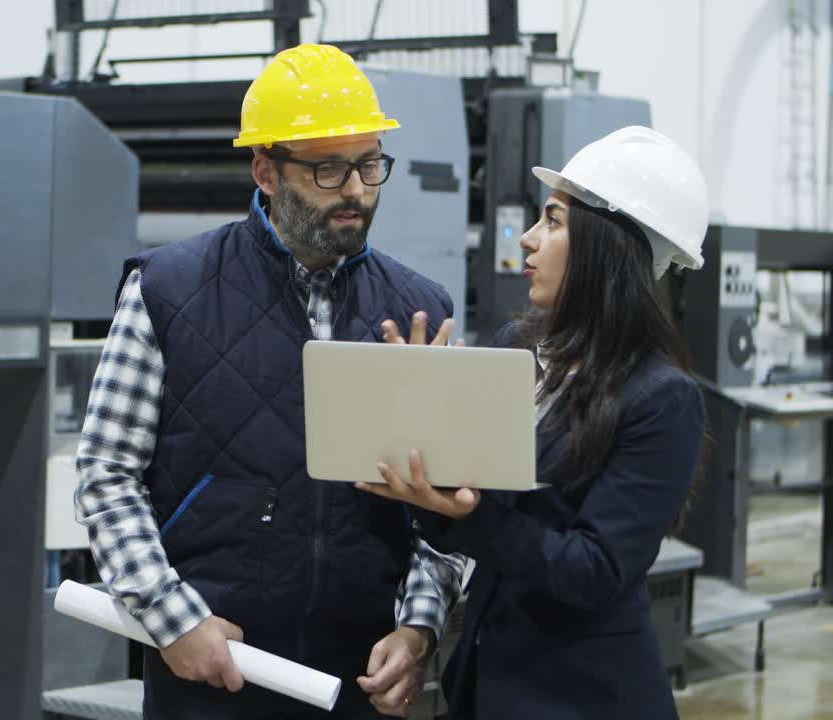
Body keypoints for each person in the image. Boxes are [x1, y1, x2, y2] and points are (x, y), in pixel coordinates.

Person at [74, 43, 465, 719]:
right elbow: (106, 475)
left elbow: (448, 508)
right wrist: (173, 621)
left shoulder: (418, 308)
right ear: (265, 169)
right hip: (213, 667)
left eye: (370, 164)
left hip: (357, 681)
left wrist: (420, 626)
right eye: (328, 168)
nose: (354, 190)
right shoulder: (168, 292)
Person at [360, 126, 710, 719]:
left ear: (607, 246)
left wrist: (473, 514)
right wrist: (426, 444)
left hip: (581, 695)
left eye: (552, 221)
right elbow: (469, 518)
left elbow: (595, 571)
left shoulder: (662, 398)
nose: (526, 239)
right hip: (487, 678)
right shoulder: (517, 350)